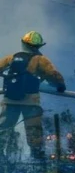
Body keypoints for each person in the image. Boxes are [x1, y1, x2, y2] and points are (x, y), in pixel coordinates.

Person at [0, 31, 65, 161]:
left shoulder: (12, 58)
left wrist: (8, 76)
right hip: (30, 102)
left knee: (3, 129)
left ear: (23, 43)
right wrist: (60, 85)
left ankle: (1, 157)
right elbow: (53, 74)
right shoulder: (41, 60)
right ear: (37, 46)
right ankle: (37, 160)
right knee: (34, 132)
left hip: (10, 100)